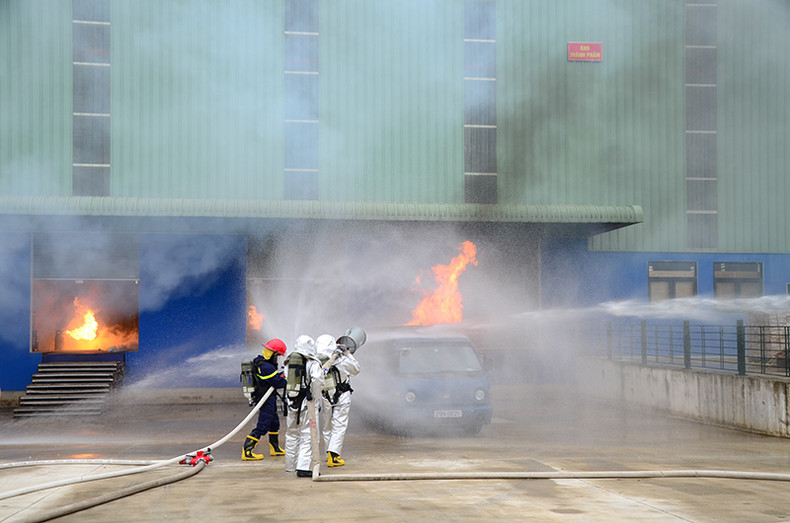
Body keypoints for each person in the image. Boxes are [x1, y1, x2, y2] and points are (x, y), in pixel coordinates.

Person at [316, 334, 360, 467]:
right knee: (339, 425)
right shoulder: (342, 360)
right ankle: (334, 456)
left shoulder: (317, 361)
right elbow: (356, 369)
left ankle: (327, 453)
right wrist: (347, 353)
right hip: (342, 395)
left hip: (325, 397)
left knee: (327, 426)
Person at [283, 334, 324, 477]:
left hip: (291, 402)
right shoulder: (313, 363)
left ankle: (290, 465)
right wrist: (316, 398)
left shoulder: (288, 362)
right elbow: (318, 380)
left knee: (291, 434)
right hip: (307, 403)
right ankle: (304, 467)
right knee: (309, 434)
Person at [242, 338, 288, 461]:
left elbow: (274, 378)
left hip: (269, 398)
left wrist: (280, 375)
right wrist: (287, 380)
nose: (278, 358)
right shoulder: (266, 367)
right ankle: (247, 450)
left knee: (274, 423)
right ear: (273, 354)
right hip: (265, 399)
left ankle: (275, 448)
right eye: (277, 355)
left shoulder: (261, 361)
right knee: (263, 425)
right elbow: (278, 383)